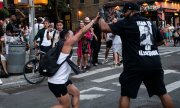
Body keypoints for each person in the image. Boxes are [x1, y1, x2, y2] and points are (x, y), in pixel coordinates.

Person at [98, 2, 174, 108]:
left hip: (135, 64)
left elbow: (104, 27)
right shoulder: (150, 23)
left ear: (132, 11)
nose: (123, 13)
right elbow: (160, 41)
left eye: (125, 11)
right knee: (162, 93)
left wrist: (101, 16)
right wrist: (147, 47)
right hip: (154, 63)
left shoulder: (126, 23)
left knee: (125, 94)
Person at [48, 15, 99, 108]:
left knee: (76, 93)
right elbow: (82, 32)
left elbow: (82, 33)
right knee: (64, 106)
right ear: (67, 37)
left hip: (63, 80)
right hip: (57, 82)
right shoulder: (66, 44)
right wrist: (93, 21)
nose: (74, 36)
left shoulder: (63, 44)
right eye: (72, 35)